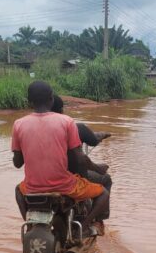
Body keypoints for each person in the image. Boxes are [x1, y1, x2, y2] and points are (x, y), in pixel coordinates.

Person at [12, 81, 109, 236]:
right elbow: (80, 159)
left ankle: (30, 226)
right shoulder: (67, 122)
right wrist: (99, 169)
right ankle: (83, 226)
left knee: (18, 190)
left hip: (32, 187)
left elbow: (17, 163)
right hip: (64, 185)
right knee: (103, 192)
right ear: (51, 99)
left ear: (29, 102)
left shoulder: (18, 124)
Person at [51, 94, 113, 193]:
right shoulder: (76, 128)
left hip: (44, 179)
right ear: (62, 111)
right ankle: (98, 208)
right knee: (106, 179)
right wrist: (97, 168)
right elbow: (92, 142)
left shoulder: (34, 131)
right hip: (70, 179)